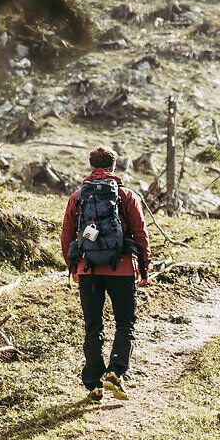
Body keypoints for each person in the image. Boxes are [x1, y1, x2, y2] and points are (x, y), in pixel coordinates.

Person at [59, 146, 151, 400]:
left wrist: (72, 267)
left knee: (93, 326)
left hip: (88, 269)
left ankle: (94, 384)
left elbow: (67, 235)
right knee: (124, 323)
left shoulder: (78, 197)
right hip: (121, 270)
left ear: (92, 165)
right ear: (113, 167)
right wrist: (144, 268)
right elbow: (141, 234)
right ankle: (116, 371)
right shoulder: (126, 195)